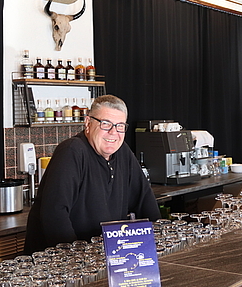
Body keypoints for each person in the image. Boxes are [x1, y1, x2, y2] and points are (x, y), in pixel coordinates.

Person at [24, 94, 160, 253]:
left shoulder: (122, 152)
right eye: (105, 124)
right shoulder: (71, 152)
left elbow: (145, 199)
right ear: (88, 123)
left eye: (120, 126)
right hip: (58, 264)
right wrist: (74, 259)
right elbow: (54, 214)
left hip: (104, 257)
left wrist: (157, 240)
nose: (113, 132)